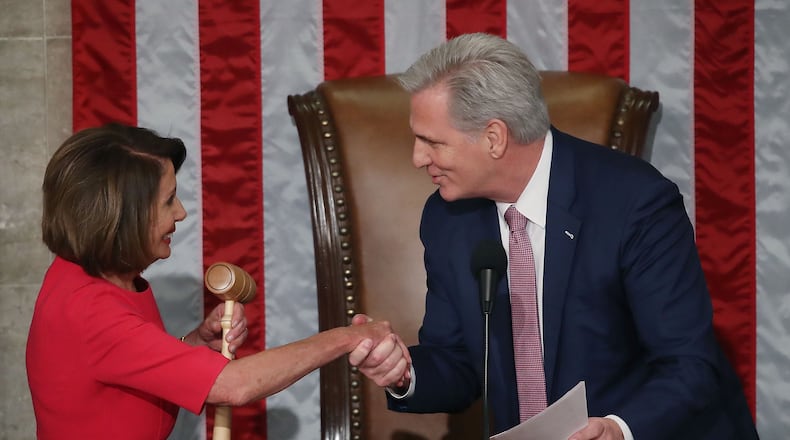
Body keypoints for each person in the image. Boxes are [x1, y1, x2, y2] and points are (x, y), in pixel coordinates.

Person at [348, 33, 758, 440]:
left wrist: (618, 429)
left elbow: (689, 365)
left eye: (432, 142)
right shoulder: (447, 218)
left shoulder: (634, 203)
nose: (418, 158)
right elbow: (459, 364)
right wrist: (404, 373)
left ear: (494, 138)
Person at [26, 123, 407, 439]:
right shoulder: (89, 307)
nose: (182, 212)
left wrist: (193, 345)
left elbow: (116, 368)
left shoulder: (94, 276)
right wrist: (348, 336)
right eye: (168, 201)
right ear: (122, 217)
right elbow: (235, 386)